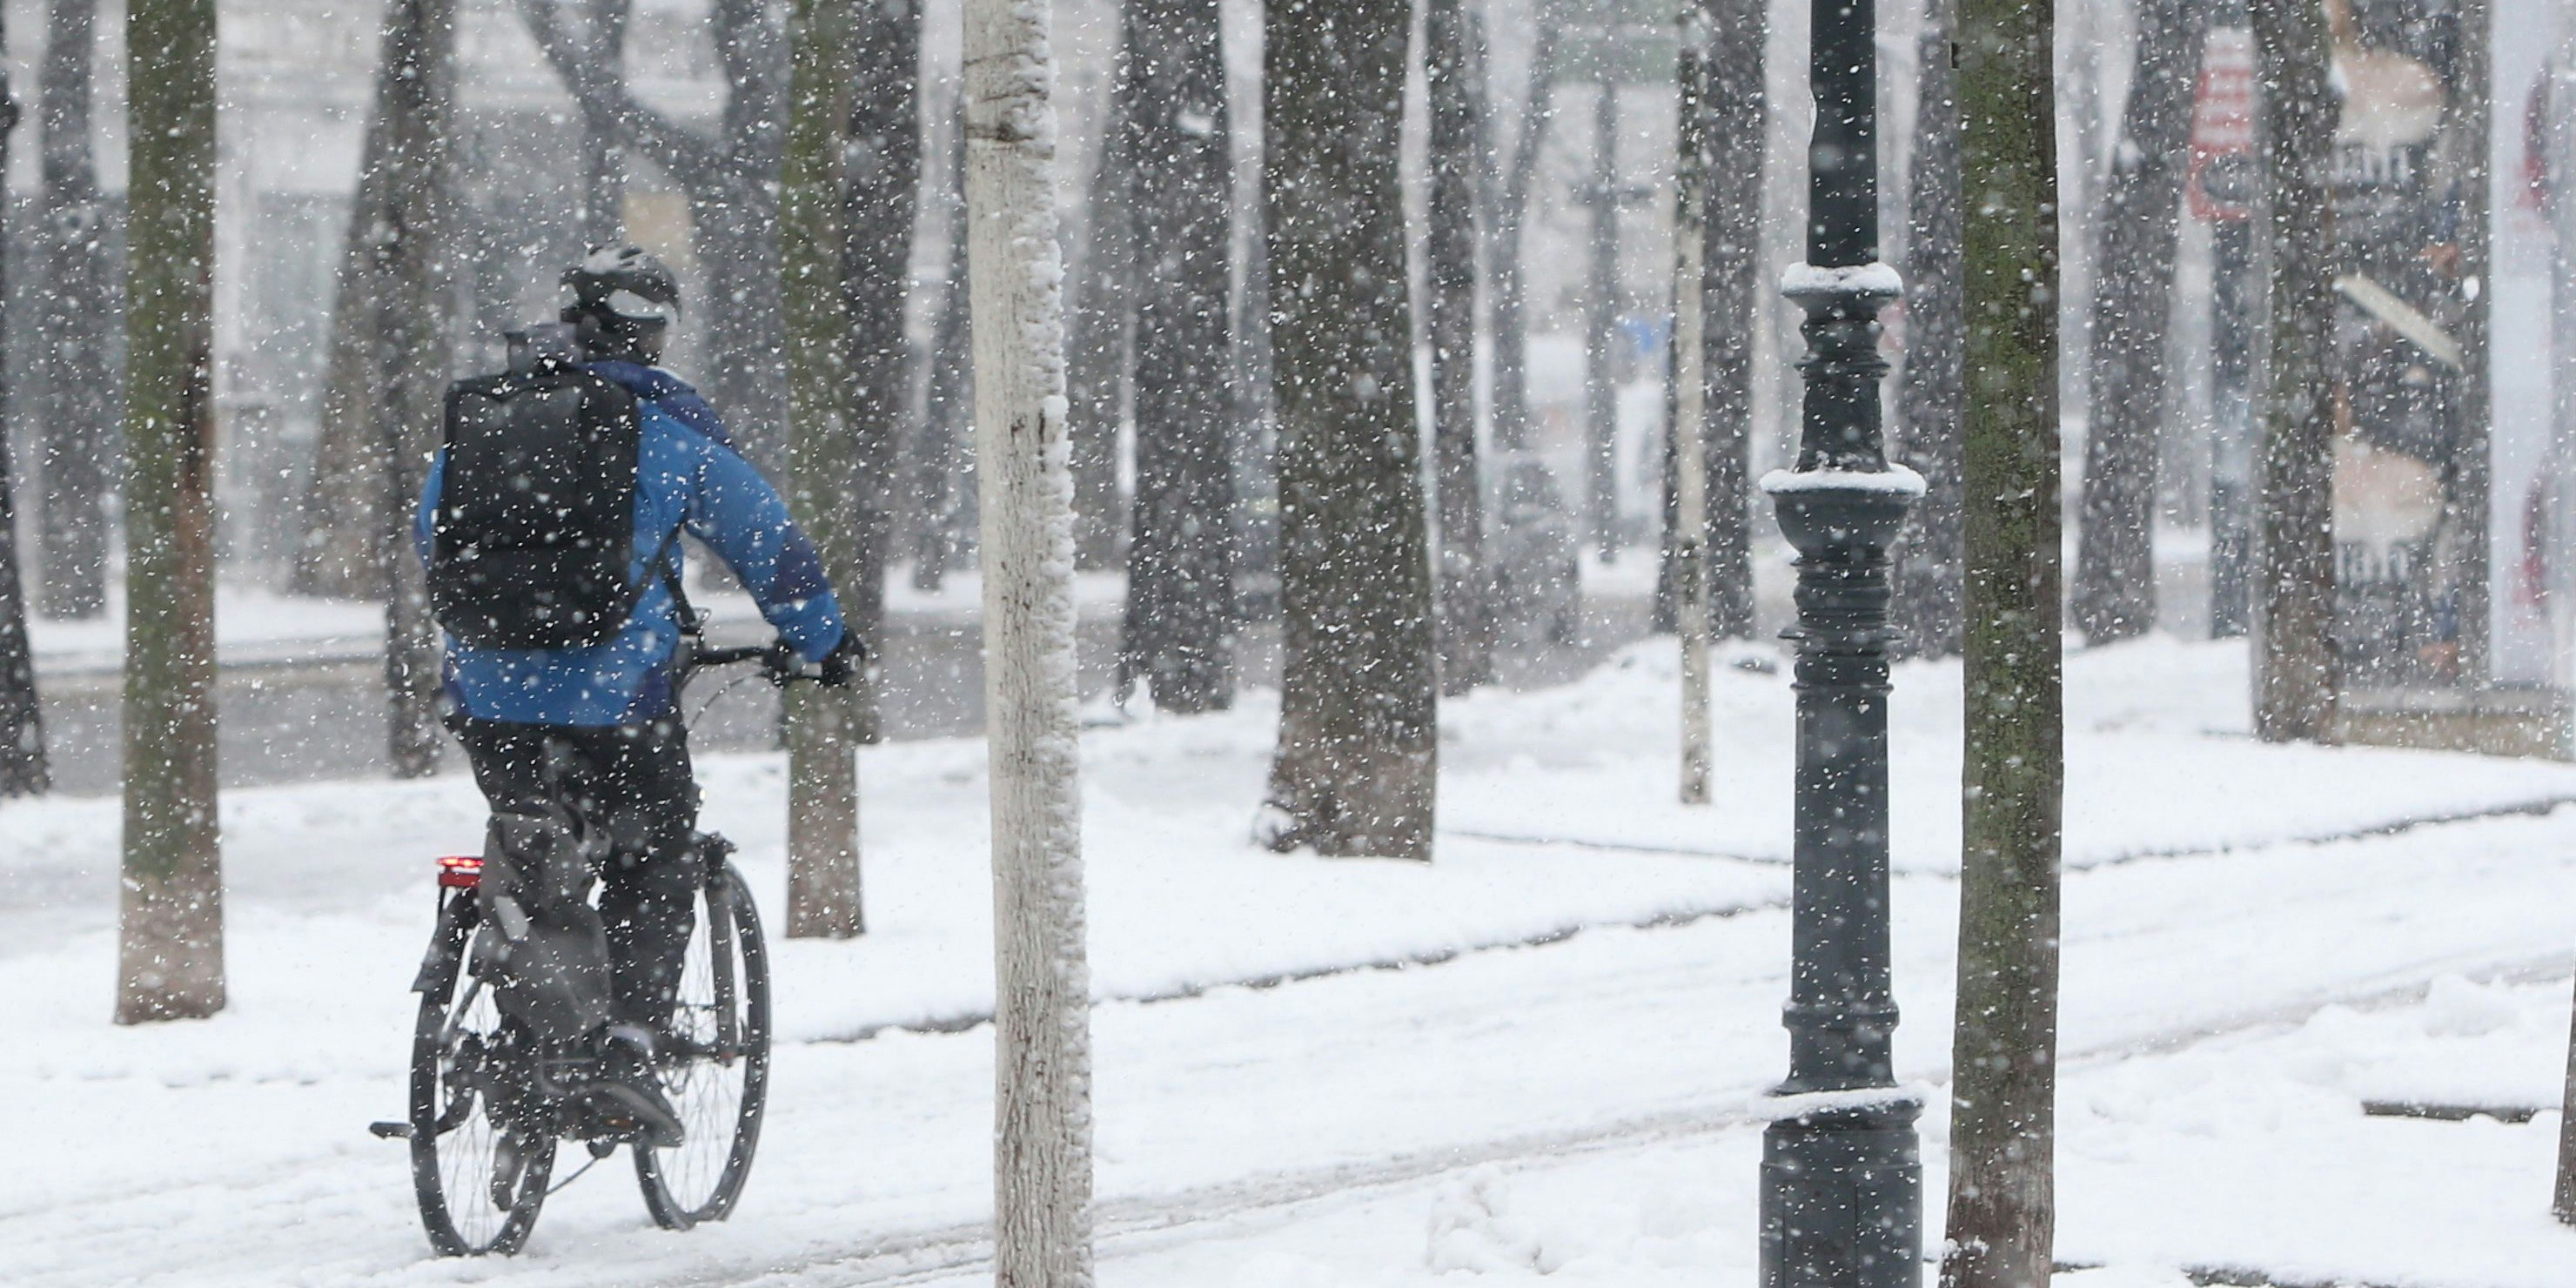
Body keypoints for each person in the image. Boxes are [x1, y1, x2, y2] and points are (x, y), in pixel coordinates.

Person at [414, 245, 862, 1146]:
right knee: (653, 850)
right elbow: (769, 544)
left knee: (533, 851)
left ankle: (523, 1042)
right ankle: (623, 1045)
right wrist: (824, 642)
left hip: (493, 697)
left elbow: (435, 537)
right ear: (651, 334)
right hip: (615, 697)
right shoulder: (665, 429)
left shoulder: (489, 422)